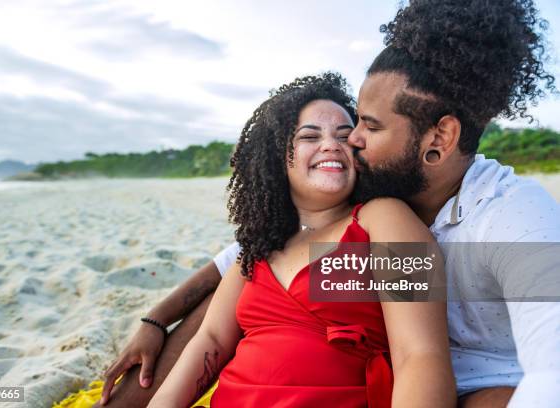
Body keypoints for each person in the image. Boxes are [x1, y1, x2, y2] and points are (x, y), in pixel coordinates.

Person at [99, 0, 559, 406]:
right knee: (234, 299)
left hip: (478, 388)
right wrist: (155, 320)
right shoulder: (359, 196)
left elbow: (543, 366)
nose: (349, 142)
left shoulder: (509, 219)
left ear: (439, 138)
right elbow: (229, 275)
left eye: (365, 128)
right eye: (314, 134)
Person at [149, 72, 454, 407]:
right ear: (278, 158)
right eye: (310, 136)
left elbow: (421, 354)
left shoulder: (386, 218)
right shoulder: (259, 247)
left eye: (344, 136)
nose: (331, 145)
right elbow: (211, 340)